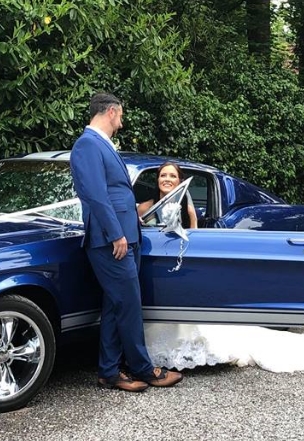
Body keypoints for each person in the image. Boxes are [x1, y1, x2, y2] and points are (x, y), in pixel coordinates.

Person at [69, 92, 183, 392]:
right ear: (110, 112)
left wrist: (133, 219)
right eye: (120, 115)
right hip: (111, 240)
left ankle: (108, 371)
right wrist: (116, 233)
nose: (121, 122)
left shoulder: (102, 145)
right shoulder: (87, 145)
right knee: (130, 303)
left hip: (126, 233)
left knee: (115, 305)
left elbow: (116, 193)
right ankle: (144, 369)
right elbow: (94, 194)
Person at [136, 162, 198, 229]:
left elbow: (194, 235)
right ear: (158, 180)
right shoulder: (144, 208)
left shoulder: (188, 210)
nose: (167, 179)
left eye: (173, 176)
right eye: (163, 175)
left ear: (179, 181)